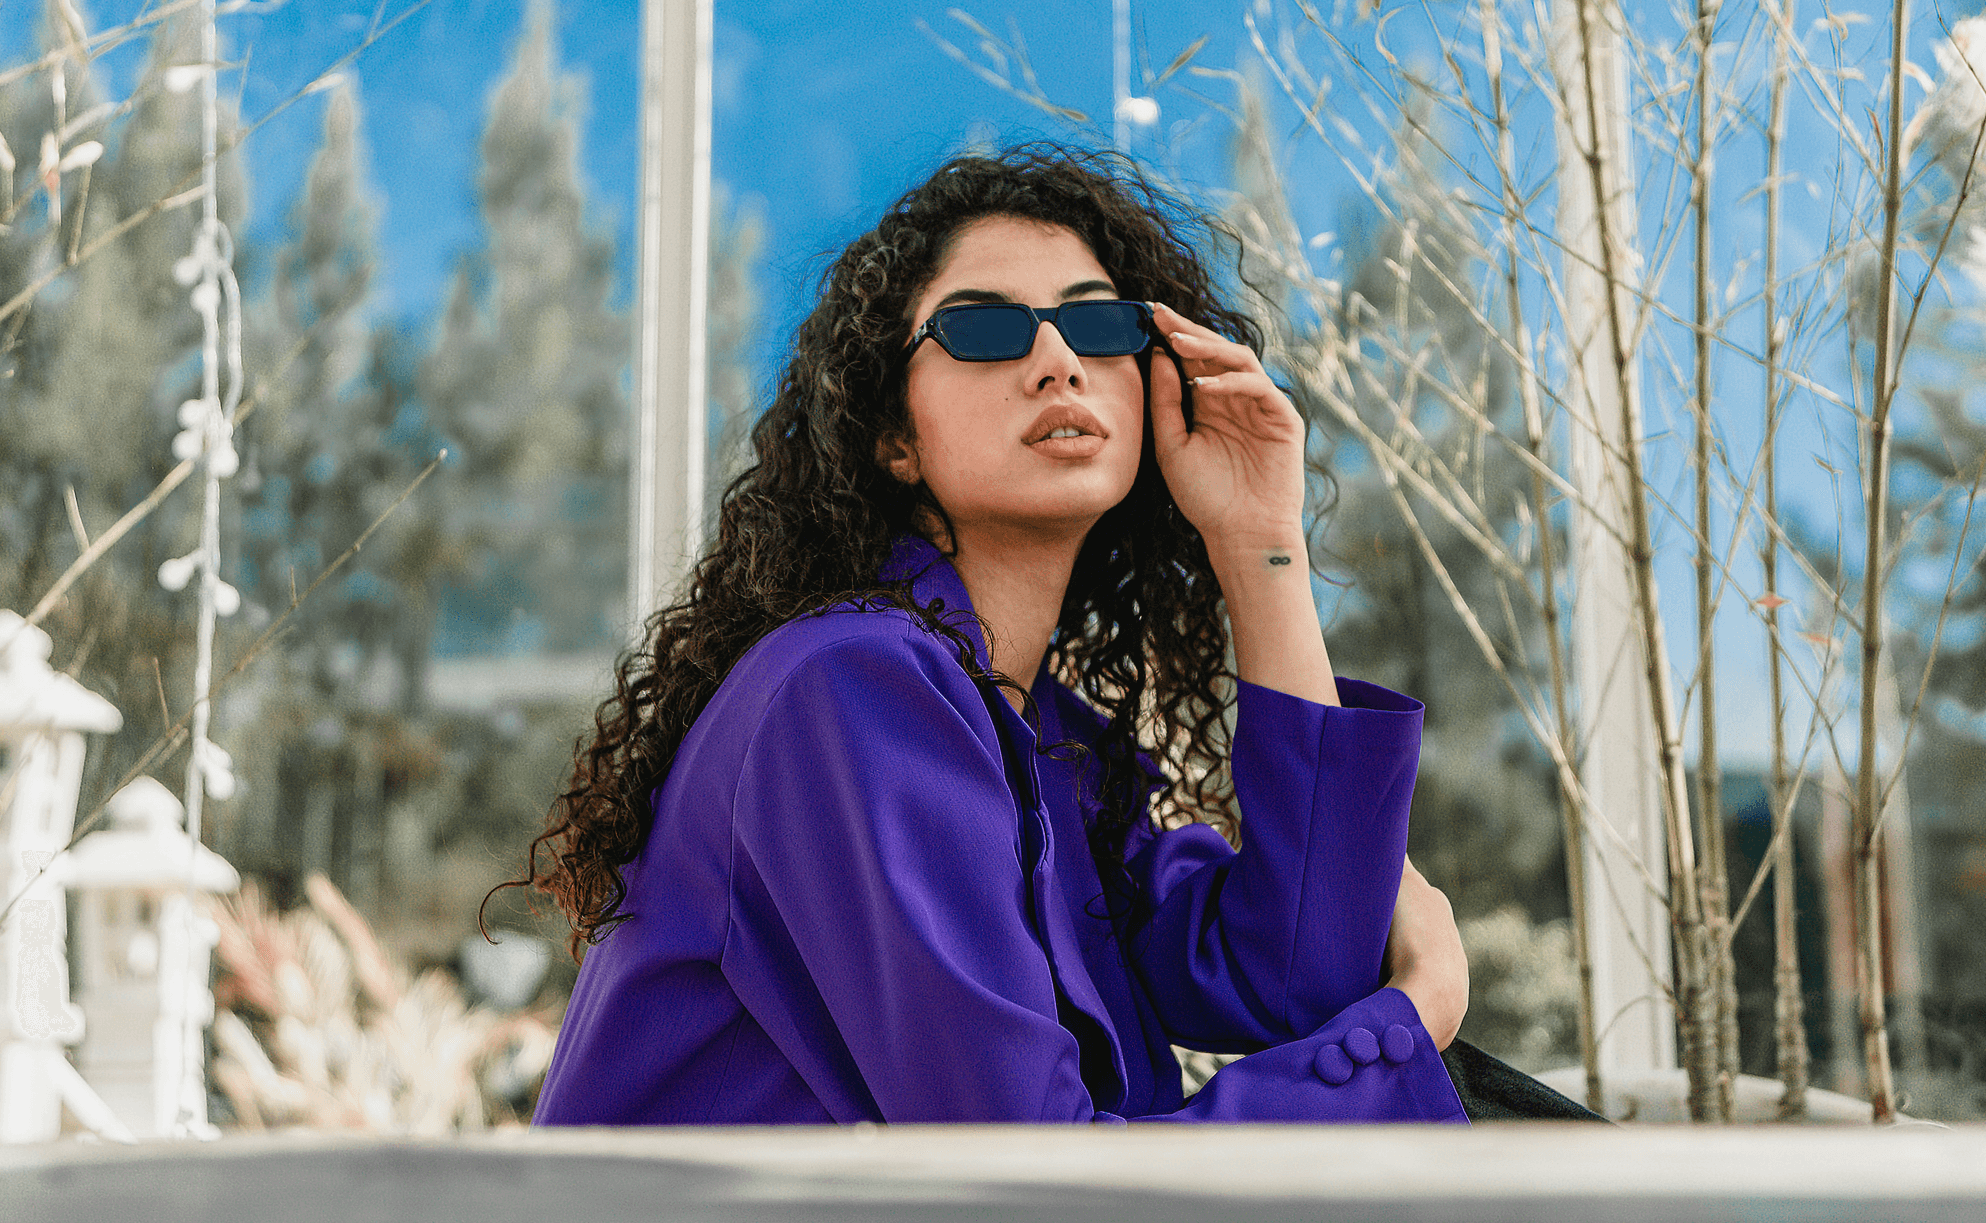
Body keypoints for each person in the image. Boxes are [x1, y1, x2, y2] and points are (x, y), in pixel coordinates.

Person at [514, 145, 1585, 1126]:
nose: (1054, 360)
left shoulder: (1043, 747)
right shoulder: (849, 691)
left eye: (1098, 323)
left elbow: (1296, 972)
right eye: (982, 328)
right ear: (893, 435)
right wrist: (1410, 1024)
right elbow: (1031, 1171)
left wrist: (1260, 542)